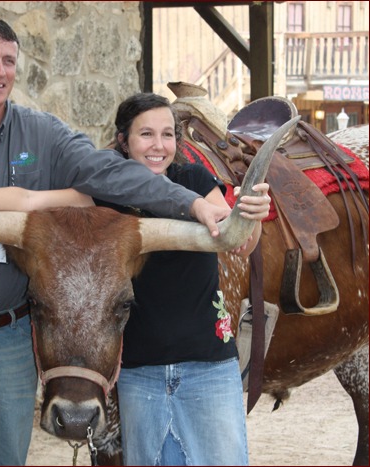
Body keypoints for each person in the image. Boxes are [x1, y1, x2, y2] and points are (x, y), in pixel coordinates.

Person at [0, 19, 235, 466]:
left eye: (9, 61)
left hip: (14, 334)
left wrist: (190, 204)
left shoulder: (44, 135)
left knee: (8, 459)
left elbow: (108, 173)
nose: (0, 72)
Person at [109, 93, 271, 466]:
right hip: (139, 371)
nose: (159, 146)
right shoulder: (108, 194)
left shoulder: (194, 179)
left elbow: (241, 241)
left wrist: (252, 217)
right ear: (123, 140)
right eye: (146, 134)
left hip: (209, 366)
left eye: (168, 135)